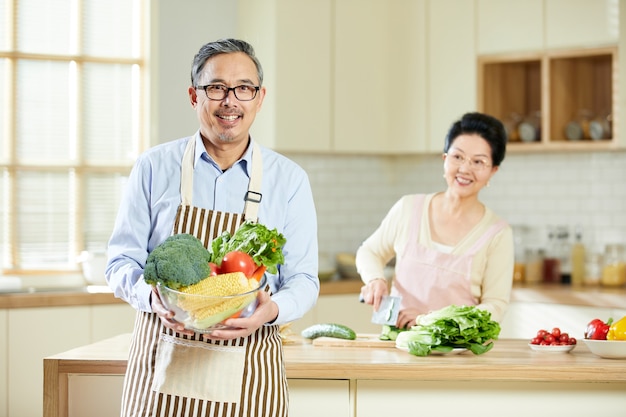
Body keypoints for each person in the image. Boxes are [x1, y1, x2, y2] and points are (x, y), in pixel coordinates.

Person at [106, 38, 319, 417]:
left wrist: (269, 312)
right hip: (161, 368)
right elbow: (120, 262)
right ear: (194, 95)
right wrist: (152, 297)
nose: (230, 101)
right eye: (216, 87)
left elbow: (304, 280)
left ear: (259, 97)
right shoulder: (153, 167)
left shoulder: (290, 180)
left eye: (243, 89)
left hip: (250, 370)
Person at [356, 112, 513, 329]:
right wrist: (375, 279)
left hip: (459, 353)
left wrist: (430, 321)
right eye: (457, 157)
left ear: (493, 171)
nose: (465, 169)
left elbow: (495, 306)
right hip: (397, 343)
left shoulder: (497, 233)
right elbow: (369, 251)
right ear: (444, 159)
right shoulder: (408, 208)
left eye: (478, 162)